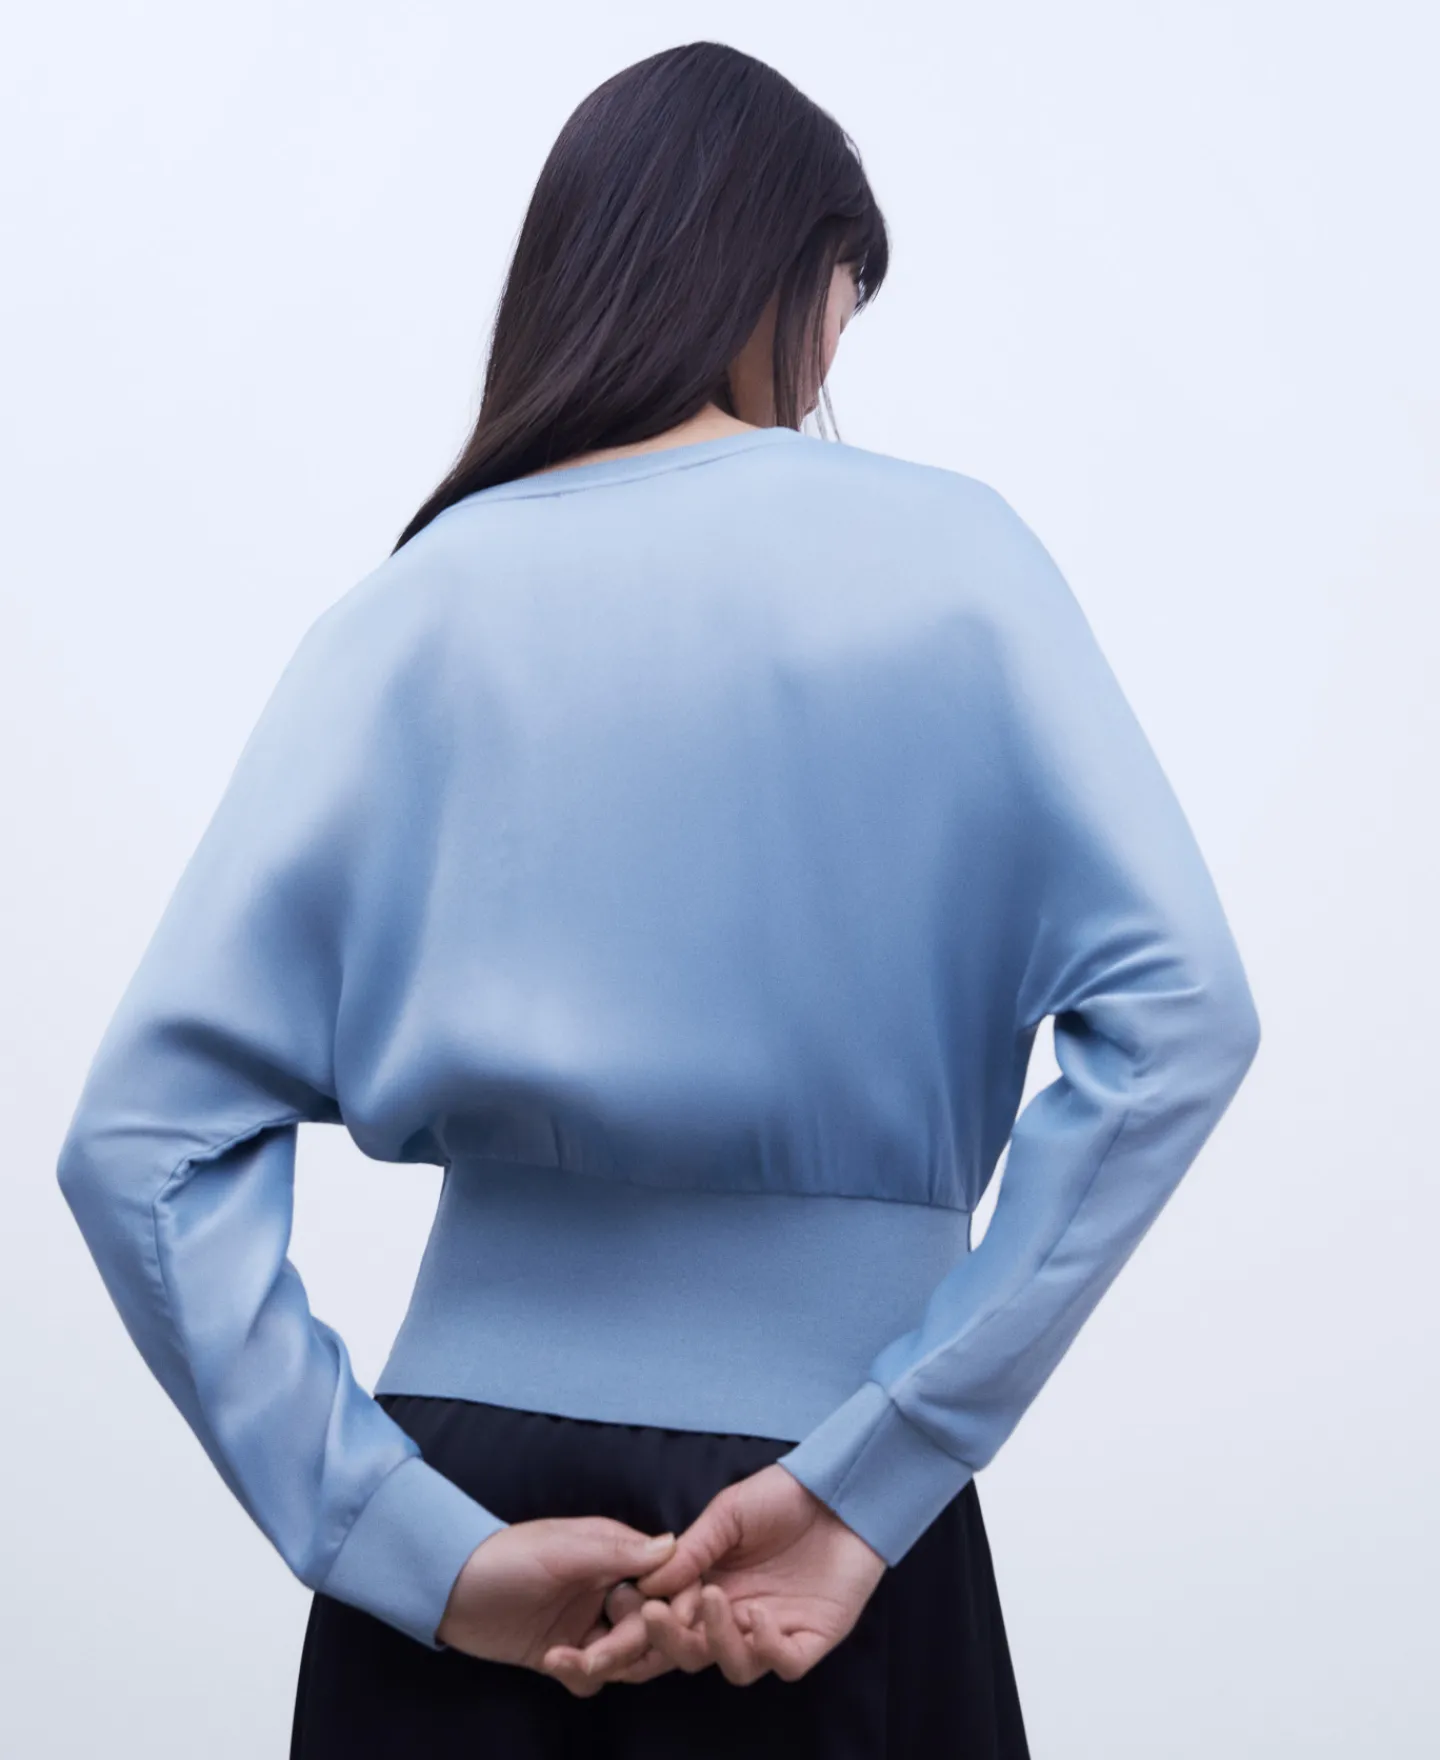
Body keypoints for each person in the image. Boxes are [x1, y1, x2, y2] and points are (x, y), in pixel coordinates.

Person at [55, 38, 1261, 1760]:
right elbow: (1184, 1016)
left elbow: (139, 1147)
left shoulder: (405, 611)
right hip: (828, 1524)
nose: (832, 361)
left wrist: (407, 1543)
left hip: (470, 1526)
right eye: (841, 302)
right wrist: (890, 1461)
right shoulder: (954, 561)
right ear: (784, 279)